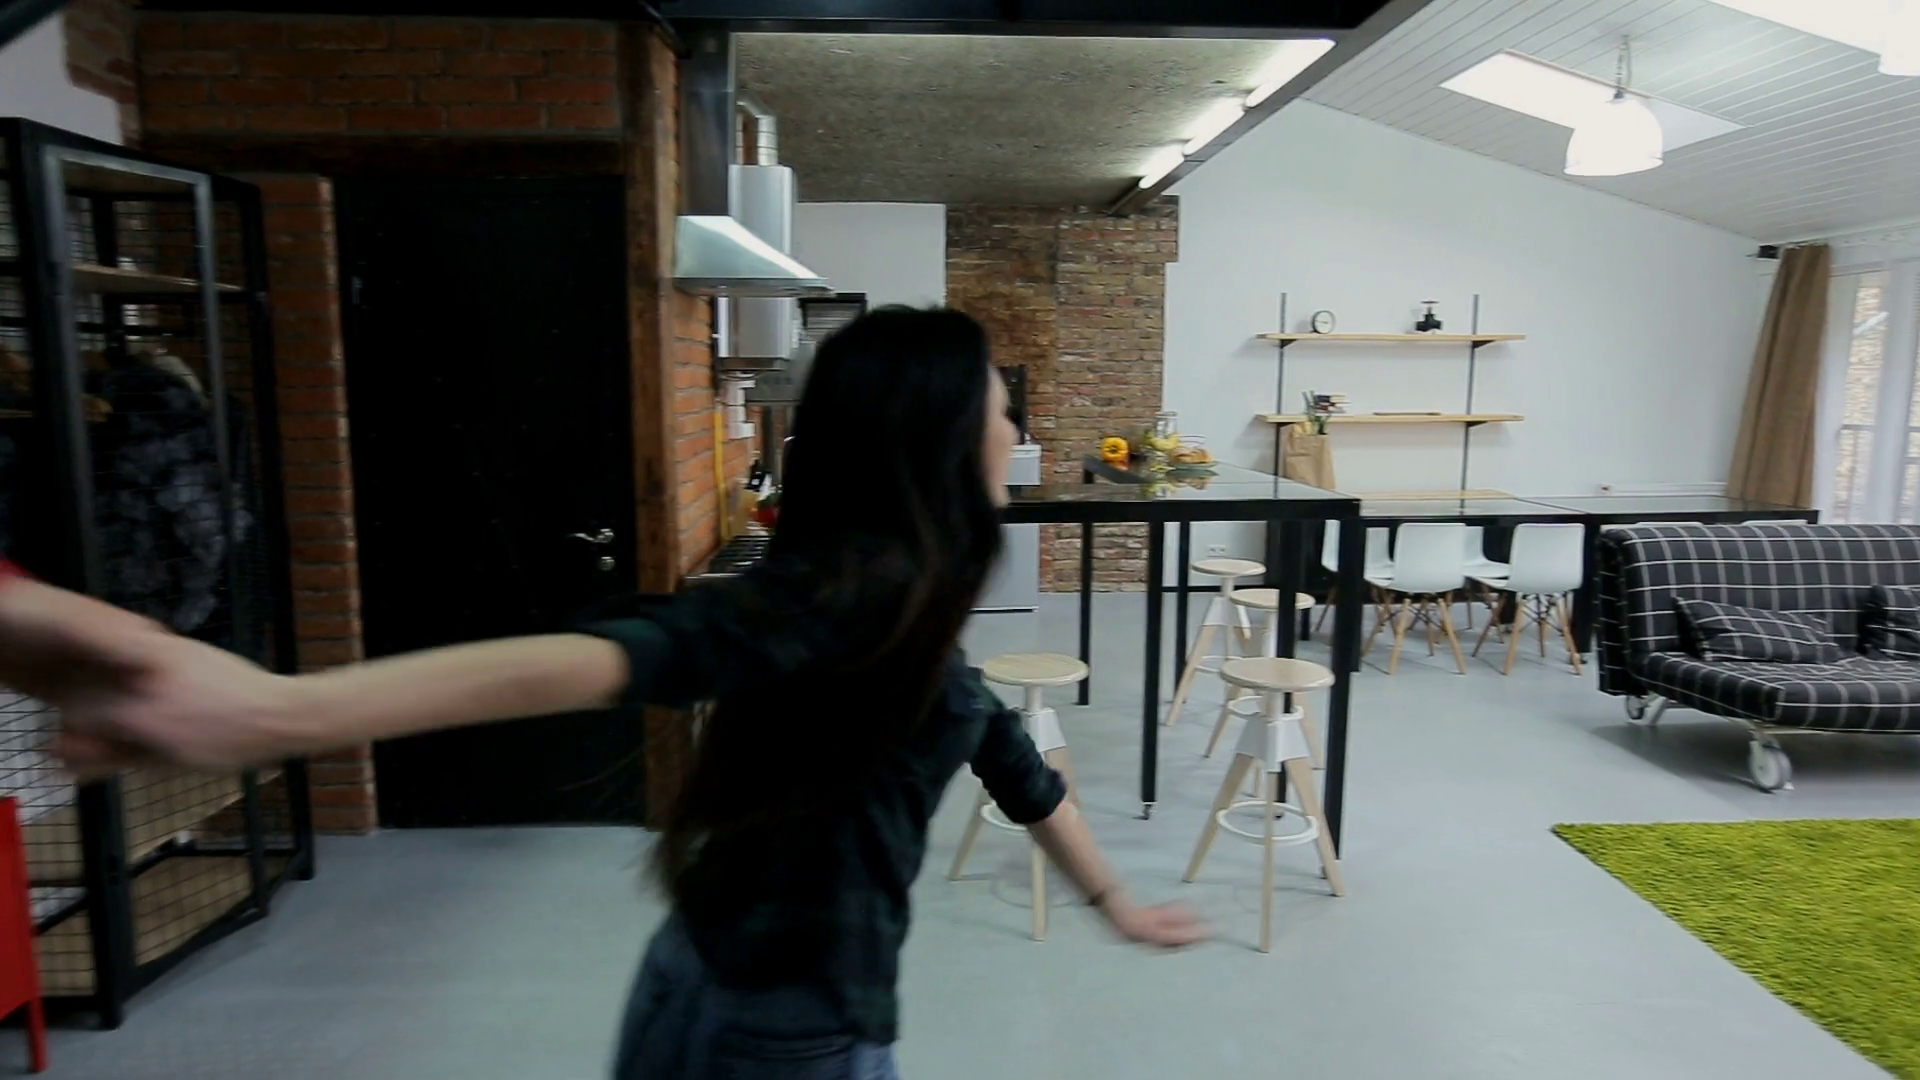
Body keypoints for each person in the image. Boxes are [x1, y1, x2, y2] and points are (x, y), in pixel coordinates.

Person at [0, 306, 1205, 1079]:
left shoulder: (902, 626)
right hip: (786, 1034)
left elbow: (1018, 768)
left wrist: (1116, 901)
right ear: (937, 440)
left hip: (711, 978)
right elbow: (609, 656)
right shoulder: (843, 606)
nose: (1012, 426)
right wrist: (282, 715)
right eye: (998, 406)